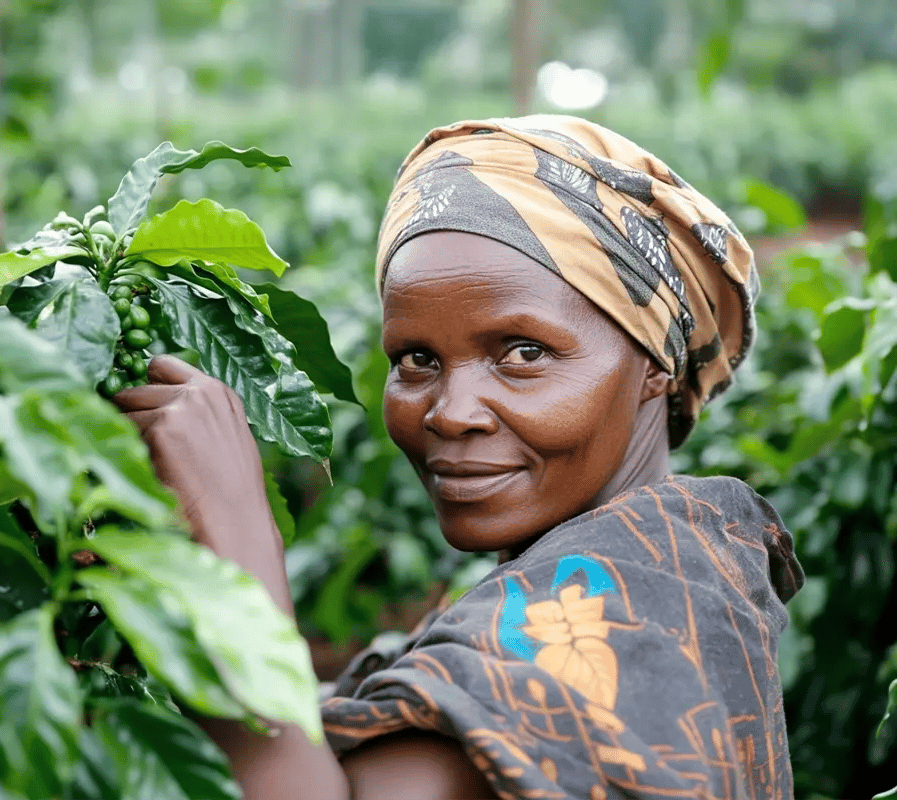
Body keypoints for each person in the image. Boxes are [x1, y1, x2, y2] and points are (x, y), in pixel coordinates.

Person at [112, 115, 804, 800]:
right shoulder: (669, 563)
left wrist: (233, 556)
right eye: (416, 359)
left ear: (654, 363)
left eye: (523, 354)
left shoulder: (621, 612)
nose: (451, 411)